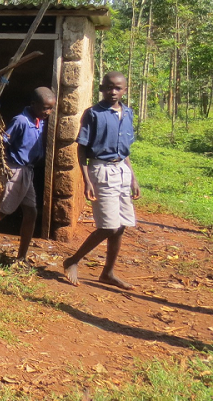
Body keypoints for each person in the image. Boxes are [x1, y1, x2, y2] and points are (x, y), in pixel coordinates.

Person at [63, 72, 141, 290]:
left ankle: (108, 273)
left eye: (117, 88)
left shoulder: (128, 113)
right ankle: (72, 260)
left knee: (121, 225)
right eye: (108, 87)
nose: (113, 92)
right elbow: (82, 149)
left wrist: (133, 177)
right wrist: (87, 181)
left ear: (125, 89)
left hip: (122, 171)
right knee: (108, 226)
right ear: (102, 88)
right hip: (101, 171)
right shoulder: (93, 114)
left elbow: (125, 151)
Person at [0, 87, 56, 263]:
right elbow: (3, 141)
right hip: (15, 170)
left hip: (27, 172)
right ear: (33, 104)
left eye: (50, 108)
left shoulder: (40, 121)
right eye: (44, 108)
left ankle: (21, 256)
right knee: (0, 210)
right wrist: (3, 166)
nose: (48, 112)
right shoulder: (21, 121)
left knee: (31, 212)